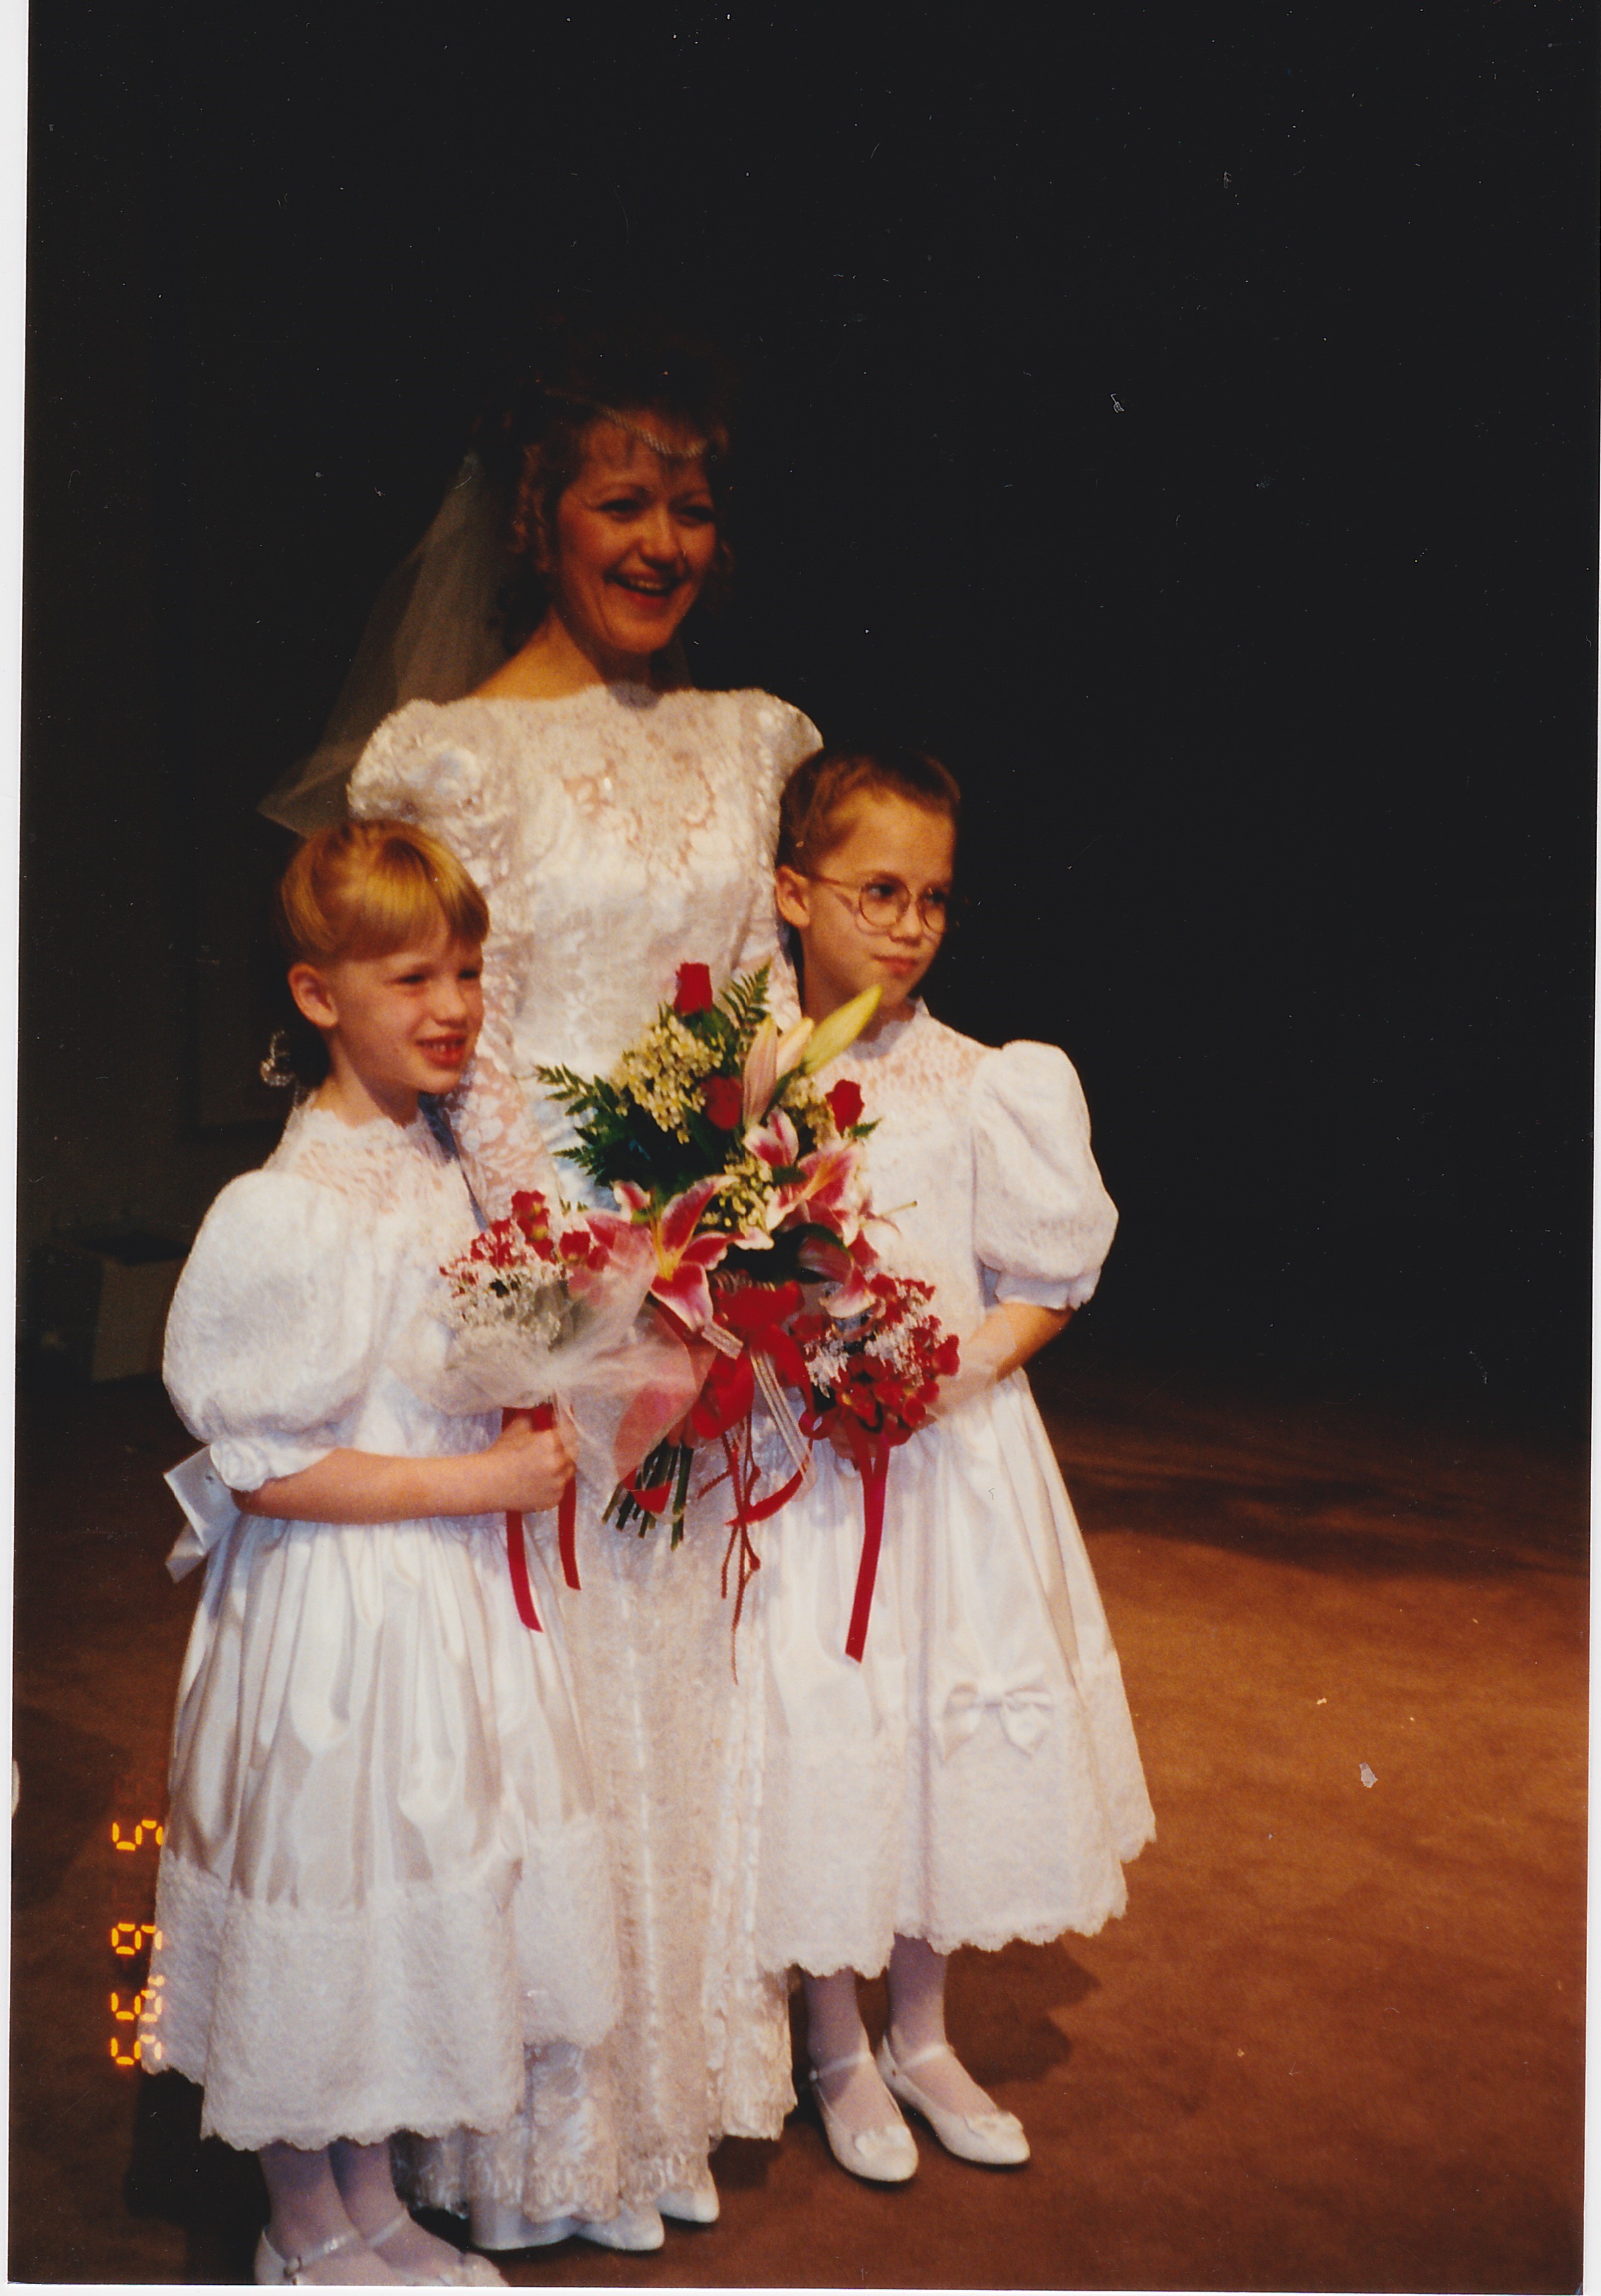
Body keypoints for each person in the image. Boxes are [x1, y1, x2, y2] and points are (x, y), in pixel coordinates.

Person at [327, 323, 822, 2251]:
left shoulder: (753, 738)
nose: (663, 540)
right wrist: (592, 1292)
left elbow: (761, 1015)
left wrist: (731, 1236)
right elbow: (467, 1045)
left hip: (703, 1289)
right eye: (625, 501)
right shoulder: (452, 753)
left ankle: (665, 2108)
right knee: (543, 1700)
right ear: (538, 517)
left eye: (690, 506)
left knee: (685, 1687)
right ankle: (538, 2138)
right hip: (545, 1294)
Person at [148, 821, 619, 2285]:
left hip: (438, 1595)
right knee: (328, 1886)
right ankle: (300, 2221)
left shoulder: (434, 1159)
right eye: (412, 977)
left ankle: (371, 2197)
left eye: (467, 973)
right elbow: (268, 1468)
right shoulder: (288, 1209)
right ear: (316, 994)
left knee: (400, 1894)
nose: (453, 1005)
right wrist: (483, 1475)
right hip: (341, 1611)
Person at [750, 744, 1155, 2181]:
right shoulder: (752, 1075)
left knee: (936, 1732)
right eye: (877, 891)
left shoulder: (988, 1081)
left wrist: (946, 1372)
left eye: (932, 897)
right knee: (827, 1726)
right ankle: (834, 2042)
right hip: (804, 1467)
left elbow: (1048, 1279)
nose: (910, 924)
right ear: (794, 893)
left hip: (946, 1454)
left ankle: (921, 2032)